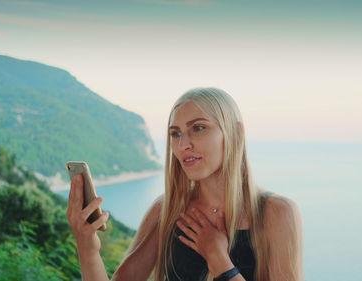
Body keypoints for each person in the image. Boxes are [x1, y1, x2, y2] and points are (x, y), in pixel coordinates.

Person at [67, 87, 304, 281]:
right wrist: (87, 247)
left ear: (236, 133)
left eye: (198, 128)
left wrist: (220, 261)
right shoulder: (167, 211)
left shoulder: (277, 213)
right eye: (176, 133)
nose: (183, 145)